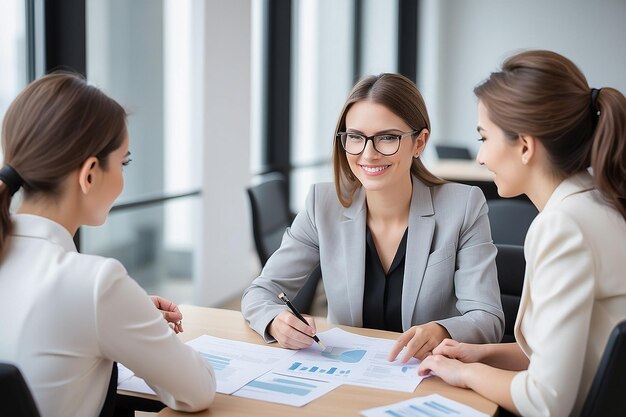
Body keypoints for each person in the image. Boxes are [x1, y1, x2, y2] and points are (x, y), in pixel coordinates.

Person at [417, 50, 626, 417]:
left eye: (484, 138)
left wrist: (466, 373)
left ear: (526, 146)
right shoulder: (598, 203)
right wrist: (483, 354)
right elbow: (563, 353)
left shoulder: (564, 227)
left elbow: (546, 402)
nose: (480, 158)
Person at [241, 73, 504, 360]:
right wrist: (276, 321)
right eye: (355, 137)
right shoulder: (323, 204)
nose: (368, 154)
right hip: (349, 376)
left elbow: (487, 318)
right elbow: (261, 292)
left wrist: (442, 330)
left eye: (387, 138)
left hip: (428, 376)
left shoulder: (463, 207)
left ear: (419, 142)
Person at [0, 73, 216, 417]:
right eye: (123, 162)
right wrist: (124, 313)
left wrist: (128, 313)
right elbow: (197, 391)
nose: (123, 178)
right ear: (89, 174)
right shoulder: (96, 284)